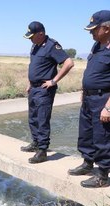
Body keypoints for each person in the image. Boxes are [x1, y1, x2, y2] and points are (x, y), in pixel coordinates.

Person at [68, 10, 110, 188]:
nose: (91, 32)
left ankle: (102, 175)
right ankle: (87, 164)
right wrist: (84, 91)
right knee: (85, 134)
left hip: (104, 98)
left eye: (94, 29)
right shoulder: (97, 46)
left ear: (107, 28)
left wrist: (109, 107)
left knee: (103, 137)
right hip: (89, 98)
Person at [21, 21, 74, 163]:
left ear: (41, 33)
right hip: (34, 88)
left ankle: (42, 151)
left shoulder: (51, 46)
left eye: (32, 36)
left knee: (42, 119)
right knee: (33, 118)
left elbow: (69, 63)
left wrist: (53, 81)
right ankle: (36, 143)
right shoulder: (35, 46)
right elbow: (34, 67)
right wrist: (29, 83)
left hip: (45, 89)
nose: (30, 39)